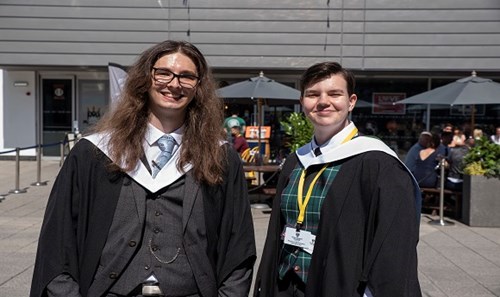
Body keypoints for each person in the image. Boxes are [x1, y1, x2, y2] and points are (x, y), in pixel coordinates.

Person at [30, 40, 256, 297]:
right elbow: (58, 239)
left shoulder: (220, 156)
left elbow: (239, 244)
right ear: (145, 79)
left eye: (187, 76)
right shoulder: (93, 153)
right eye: (163, 73)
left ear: (199, 87)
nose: (174, 84)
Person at [253, 62, 421, 297]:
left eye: (334, 94)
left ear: (351, 101)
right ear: (302, 103)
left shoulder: (378, 164)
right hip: (284, 287)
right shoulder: (295, 161)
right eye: (313, 94)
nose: (323, 102)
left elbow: (394, 246)